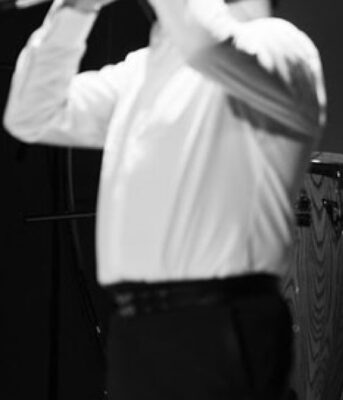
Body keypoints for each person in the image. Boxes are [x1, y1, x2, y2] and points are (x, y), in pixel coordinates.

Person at [3, 0, 326, 398]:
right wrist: (76, 9)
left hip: (220, 322)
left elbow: (204, 42)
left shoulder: (282, 46)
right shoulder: (143, 69)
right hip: (135, 329)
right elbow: (32, 113)